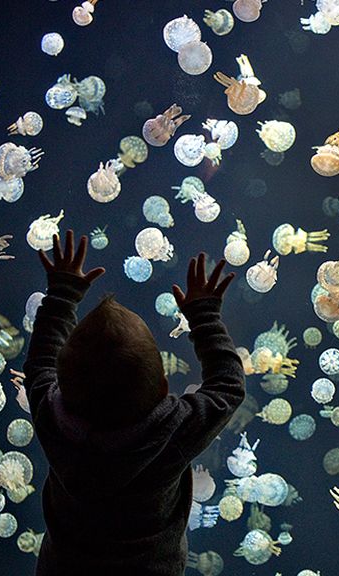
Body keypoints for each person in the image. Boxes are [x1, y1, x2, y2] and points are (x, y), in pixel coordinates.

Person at [23, 230, 245, 576]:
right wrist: (204, 316)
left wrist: (62, 294)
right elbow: (229, 387)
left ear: (64, 388)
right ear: (164, 388)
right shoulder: (172, 435)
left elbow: (39, 361)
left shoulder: (52, 416)